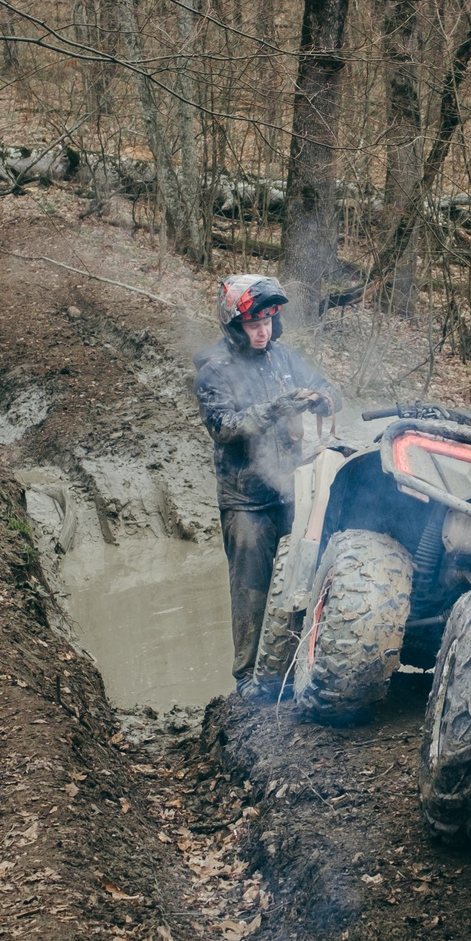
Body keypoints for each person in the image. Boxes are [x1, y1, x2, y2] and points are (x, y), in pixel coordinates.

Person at [194, 275, 339, 679]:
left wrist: (324, 399)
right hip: (246, 500)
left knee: (303, 580)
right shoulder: (214, 372)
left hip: (293, 491)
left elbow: (327, 387)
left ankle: (296, 668)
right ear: (234, 326)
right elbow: (224, 426)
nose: (263, 332)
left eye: (269, 323)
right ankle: (246, 678)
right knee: (251, 592)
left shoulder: (286, 358)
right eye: (254, 325)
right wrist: (279, 406)